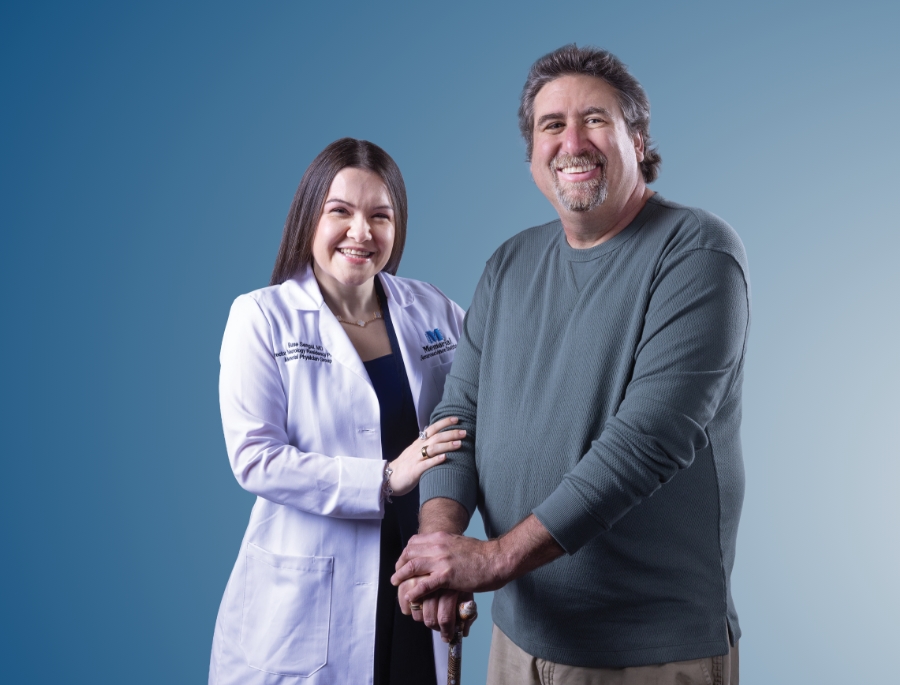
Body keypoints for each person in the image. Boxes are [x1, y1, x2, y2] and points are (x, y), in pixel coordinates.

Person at [392, 45, 749, 685]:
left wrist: (493, 561)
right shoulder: (509, 264)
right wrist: (440, 548)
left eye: (596, 120)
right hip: (518, 636)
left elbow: (647, 444)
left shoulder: (696, 252)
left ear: (637, 140)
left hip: (647, 652)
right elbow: (457, 415)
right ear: (532, 152)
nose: (572, 141)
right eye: (552, 125)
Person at [209, 138, 467, 685]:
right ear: (309, 217)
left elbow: (484, 406)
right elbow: (255, 458)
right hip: (305, 598)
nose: (361, 232)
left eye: (380, 216)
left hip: (412, 577)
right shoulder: (263, 317)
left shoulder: (432, 309)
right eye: (341, 212)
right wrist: (386, 477)